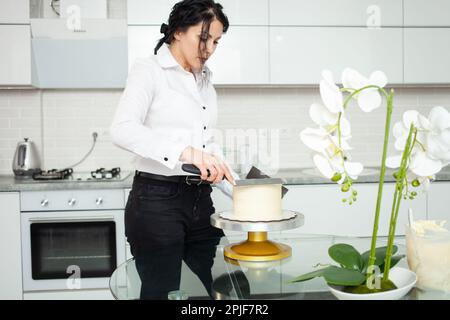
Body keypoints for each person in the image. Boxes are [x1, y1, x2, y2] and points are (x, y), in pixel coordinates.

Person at [110, 0, 239, 299]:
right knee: (162, 293)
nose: (209, 48)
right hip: (156, 202)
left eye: (216, 41)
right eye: (203, 37)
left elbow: (207, 146)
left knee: (204, 293)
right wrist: (185, 151)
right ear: (178, 31)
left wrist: (242, 189)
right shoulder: (149, 70)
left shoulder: (205, 81)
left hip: (200, 201)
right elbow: (122, 129)